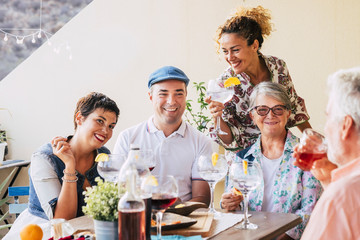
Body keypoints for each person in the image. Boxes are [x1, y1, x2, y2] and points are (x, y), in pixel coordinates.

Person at [4, 92, 120, 239]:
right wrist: (70, 165)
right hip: (42, 233)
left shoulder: (103, 154)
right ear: (79, 118)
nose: (106, 131)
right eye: (100, 121)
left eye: (111, 126)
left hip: (86, 232)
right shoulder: (44, 158)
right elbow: (62, 220)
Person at [220, 82, 322, 240]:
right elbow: (233, 209)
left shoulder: (307, 154)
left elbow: (310, 211)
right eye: (262, 110)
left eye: (278, 109)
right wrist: (228, 205)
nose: (270, 115)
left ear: (288, 114)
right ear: (252, 116)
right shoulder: (241, 159)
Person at [206, 6, 311, 152]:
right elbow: (228, 140)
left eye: (235, 50)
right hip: (247, 159)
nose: (230, 57)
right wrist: (217, 117)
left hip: (279, 150)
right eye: (225, 51)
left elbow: (292, 104)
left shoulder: (278, 66)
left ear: (254, 45)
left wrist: (310, 135)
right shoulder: (225, 83)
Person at [113, 66, 211, 205]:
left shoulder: (201, 142)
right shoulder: (127, 138)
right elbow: (116, 192)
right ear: (151, 97)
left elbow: (202, 199)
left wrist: (175, 207)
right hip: (139, 219)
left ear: (186, 96)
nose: (171, 101)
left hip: (185, 220)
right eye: (163, 94)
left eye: (178, 93)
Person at [294, 68, 360, 240]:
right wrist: (328, 180)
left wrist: (335, 190)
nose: (325, 128)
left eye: (328, 117)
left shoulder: (341, 196)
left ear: (345, 125)